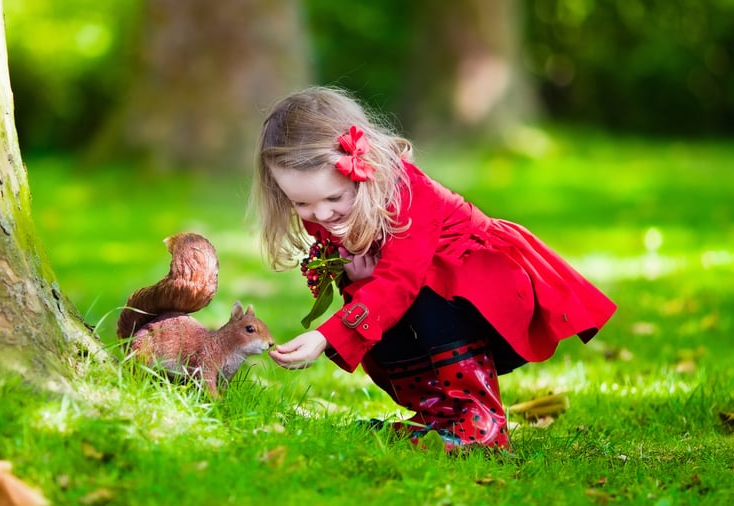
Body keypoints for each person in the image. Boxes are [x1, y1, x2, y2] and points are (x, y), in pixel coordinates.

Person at [250, 87, 616, 451]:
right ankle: (439, 415)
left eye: (334, 198)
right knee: (375, 318)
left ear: (364, 167)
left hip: (488, 293)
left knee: (418, 294)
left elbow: (399, 281)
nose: (323, 215)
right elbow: (380, 291)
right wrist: (358, 281)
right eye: (302, 203)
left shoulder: (408, 192)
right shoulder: (324, 212)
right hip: (415, 295)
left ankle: (480, 419)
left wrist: (326, 336)